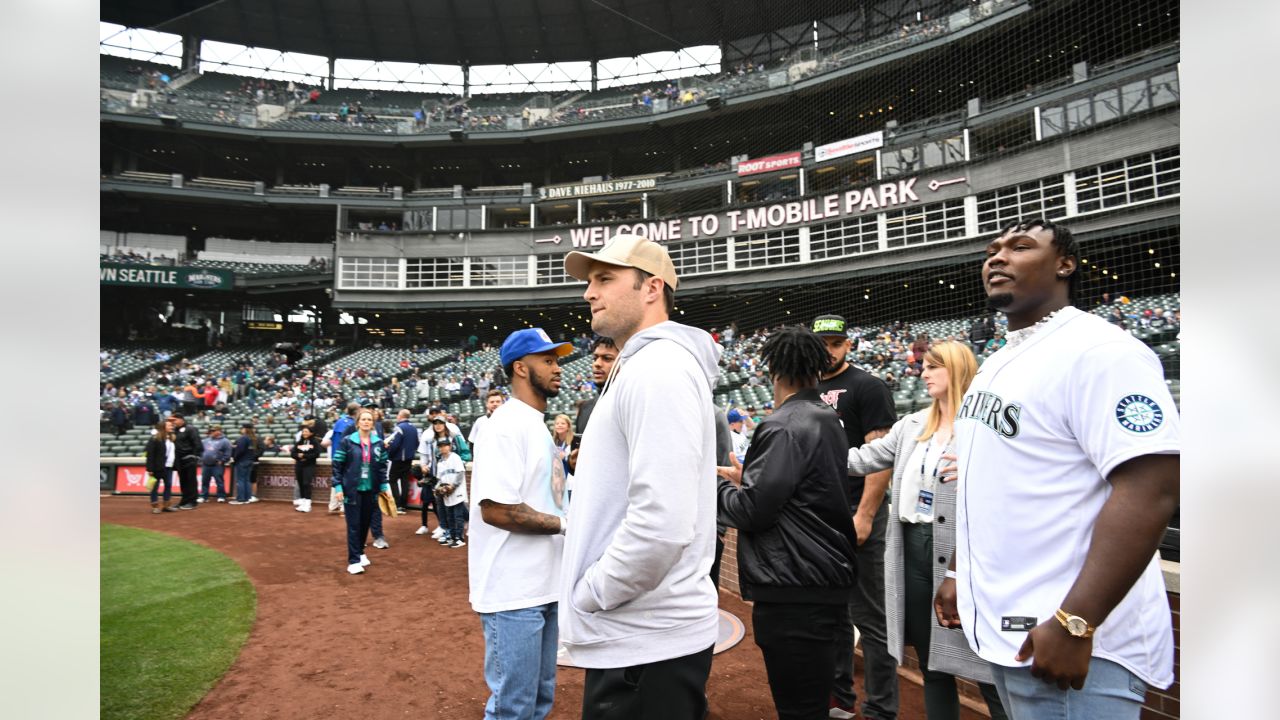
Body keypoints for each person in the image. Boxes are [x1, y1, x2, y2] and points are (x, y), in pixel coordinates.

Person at [938, 218, 1179, 719]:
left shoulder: (1103, 351)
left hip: (1075, 637)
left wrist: (1078, 621)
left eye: (1020, 246)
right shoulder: (1002, 359)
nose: (997, 257)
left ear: (1065, 263)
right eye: (992, 250)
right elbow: (989, 485)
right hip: (1014, 626)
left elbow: (1151, 489)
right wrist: (960, 569)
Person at [561, 235, 722, 718]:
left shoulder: (659, 368)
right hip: (640, 634)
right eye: (590, 281)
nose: (590, 292)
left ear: (651, 288)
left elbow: (662, 522)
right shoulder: (643, 364)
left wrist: (594, 592)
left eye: (605, 278)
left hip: (645, 638)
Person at [844, 341, 1007, 720]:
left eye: (933, 367)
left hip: (963, 555)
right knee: (933, 665)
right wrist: (809, 447)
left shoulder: (985, 427)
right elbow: (863, 459)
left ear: (957, 370)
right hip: (912, 549)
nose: (923, 373)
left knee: (986, 668)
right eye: (924, 366)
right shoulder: (913, 424)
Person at [716, 325, 858, 719]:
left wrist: (714, 490)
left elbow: (753, 511)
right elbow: (799, 492)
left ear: (774, 370)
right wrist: (748, 480)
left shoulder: (782, 424)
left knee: (799, 708)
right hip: (819, 579)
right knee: (813, 700)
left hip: (793, 585)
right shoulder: (826, 416)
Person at [468, 327, 573, 720]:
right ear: (520, 368)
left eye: (557, 359)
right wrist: (565, 526)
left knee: (539, 700)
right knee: (512, 708)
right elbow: (496, 509)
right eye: (547, 360)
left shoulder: (535, 425)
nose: (557, 368)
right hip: (512, 592)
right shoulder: (506, 424)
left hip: (543, 586)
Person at [810, 313, 898, 720]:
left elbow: (881, 460)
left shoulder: (868, 386)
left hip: (861, 512)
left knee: (870, 617)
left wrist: (864, 515)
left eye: (835, 343)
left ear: (848, 345)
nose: (829, 351)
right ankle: (840, 699)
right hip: (824, 514)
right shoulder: (808, 388)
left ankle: (880, 708)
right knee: (834, 613)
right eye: (823, 344)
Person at [332, 408, 392, 575]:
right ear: (358, 422)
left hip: (370, 489)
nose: (366, 422)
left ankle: (360, 551)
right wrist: (338, 486)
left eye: (369, 419)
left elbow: (381, 467)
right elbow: (337, 465)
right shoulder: (347, 442)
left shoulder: (378, 443)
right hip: (352, 489)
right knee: (353, 525)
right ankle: (353, 560)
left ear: (373, 423)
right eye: (363, 419)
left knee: (365, 523)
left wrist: (384, 486)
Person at [420, 416, 473, 541]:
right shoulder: (432, 440)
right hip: (439, 473)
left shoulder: (454, 437)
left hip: (454, 473)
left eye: (440, 423)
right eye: (435, 423)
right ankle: (445, 528)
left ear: (445, 424)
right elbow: (433, 458)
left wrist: (460, 463)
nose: (438, 426)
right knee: (441, 502)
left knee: (457, 503)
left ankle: (468, 523)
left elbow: (466, 453)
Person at [573, 336, 618, 434]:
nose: (596, 363)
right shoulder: (584, 409)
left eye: (607, 358)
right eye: (595, 358)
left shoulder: (635, 406)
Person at [322, 402, 361, 515]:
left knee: (337, 478)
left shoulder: (339, 421)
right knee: (346, 480)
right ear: (357, 411)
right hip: (345, 455)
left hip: (336, 455)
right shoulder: (352, 424)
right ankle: (343, 506)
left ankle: (333, 505)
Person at [433, 437, 468, 547]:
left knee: (458, 516)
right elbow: (440, 479)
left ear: (450, 446)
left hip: (457, 492)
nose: (443, 448)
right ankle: (452, 537)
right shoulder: (440, 463)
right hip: (447, 495)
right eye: (441, 446)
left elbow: (460, 474)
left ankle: (460, 538)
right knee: (450, 517)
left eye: (445, 445)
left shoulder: (455, 458)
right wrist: (437, 488)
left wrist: (452, 487)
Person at [386, 409, 420, 513]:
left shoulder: (399, 427)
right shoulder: (414, 428)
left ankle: (398, 504)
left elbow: (395, 444)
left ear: (400, 416)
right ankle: (404, 504)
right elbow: (417, 443)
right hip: (409, 458)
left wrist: (389, 454)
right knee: (405, 480)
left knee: (392, 480)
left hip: (398, 458)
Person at [168, 412, 202, 510]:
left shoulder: (190, 429)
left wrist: (194, 456)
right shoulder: (174, 431)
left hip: (189, 458)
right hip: (178, 460)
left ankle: (192, 501)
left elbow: (197, 444)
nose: (173, 422)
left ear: (181, 419)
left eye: (175, 420)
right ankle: (184, 500)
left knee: (191, 481)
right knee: (183, 481)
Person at [145, 420, 176, 514]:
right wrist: (150, 469)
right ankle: (155, 506)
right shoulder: (155, 439)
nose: (172, 427)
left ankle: (167, 505)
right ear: (163, 427)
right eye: (169, 425)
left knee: (168, 485)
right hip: (157, 467)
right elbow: (150, 455)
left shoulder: (171, 438)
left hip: (169, 466)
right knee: (155, 487)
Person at [290, 424, 321, 513]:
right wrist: (298, 456)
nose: (304, 433)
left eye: (306, 431)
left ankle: (308, 504)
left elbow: (316, 454)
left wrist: (305, 456)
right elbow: (292, 453)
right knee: (300, 484)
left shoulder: (314, 442)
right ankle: (303, 503)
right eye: (303, 431)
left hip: (309, 465)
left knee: (306, 483)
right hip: (299, 465)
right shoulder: (299, 442)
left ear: (311, 433)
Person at [199, 425, 232, 503]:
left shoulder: (225, 441)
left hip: (217, 465)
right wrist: (202, 458)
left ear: (219, 431)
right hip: (206, 464)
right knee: (205, 481)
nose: (212, 432)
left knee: (219, 481)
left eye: (214, 431)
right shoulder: (205, 441)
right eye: (211, 431)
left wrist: (223, 460)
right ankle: (204, 496)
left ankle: (221, 496)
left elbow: (228, 453)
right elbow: (200, 450)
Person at [468, 390, 505, 458]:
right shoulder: (480, 421)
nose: (495, 404)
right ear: (487, 404)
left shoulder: (509, 422)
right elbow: (472, 443)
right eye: (492, 402)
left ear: (503, 404)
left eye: (498, 401)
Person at [229, 424, 258, 505]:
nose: (241, 430)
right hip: (249, 461)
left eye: (242, 428)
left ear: (245, 429)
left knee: (240, 480)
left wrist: (234, 458)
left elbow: (240, 450)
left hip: (242, 461)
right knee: (247, 480)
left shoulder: (243, 438)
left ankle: (241, 499)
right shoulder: (253, 438)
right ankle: (247, 498)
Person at [550, 414, 574, 502]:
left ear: (568, 426)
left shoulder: (573, 441)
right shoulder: (552, 441)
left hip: (569, 483)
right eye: (557, 423)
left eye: (563, 423)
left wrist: (565, 457)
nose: (559, 425)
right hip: (555, 482)